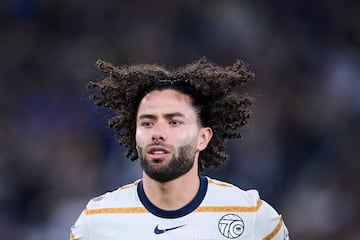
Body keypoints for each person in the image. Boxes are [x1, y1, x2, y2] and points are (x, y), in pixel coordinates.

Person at [70, 57, 289, 239]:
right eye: (147, 123)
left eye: (174, 122)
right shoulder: (97, 222)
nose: (158, 132)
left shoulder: (252, 217)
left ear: (203, 138)